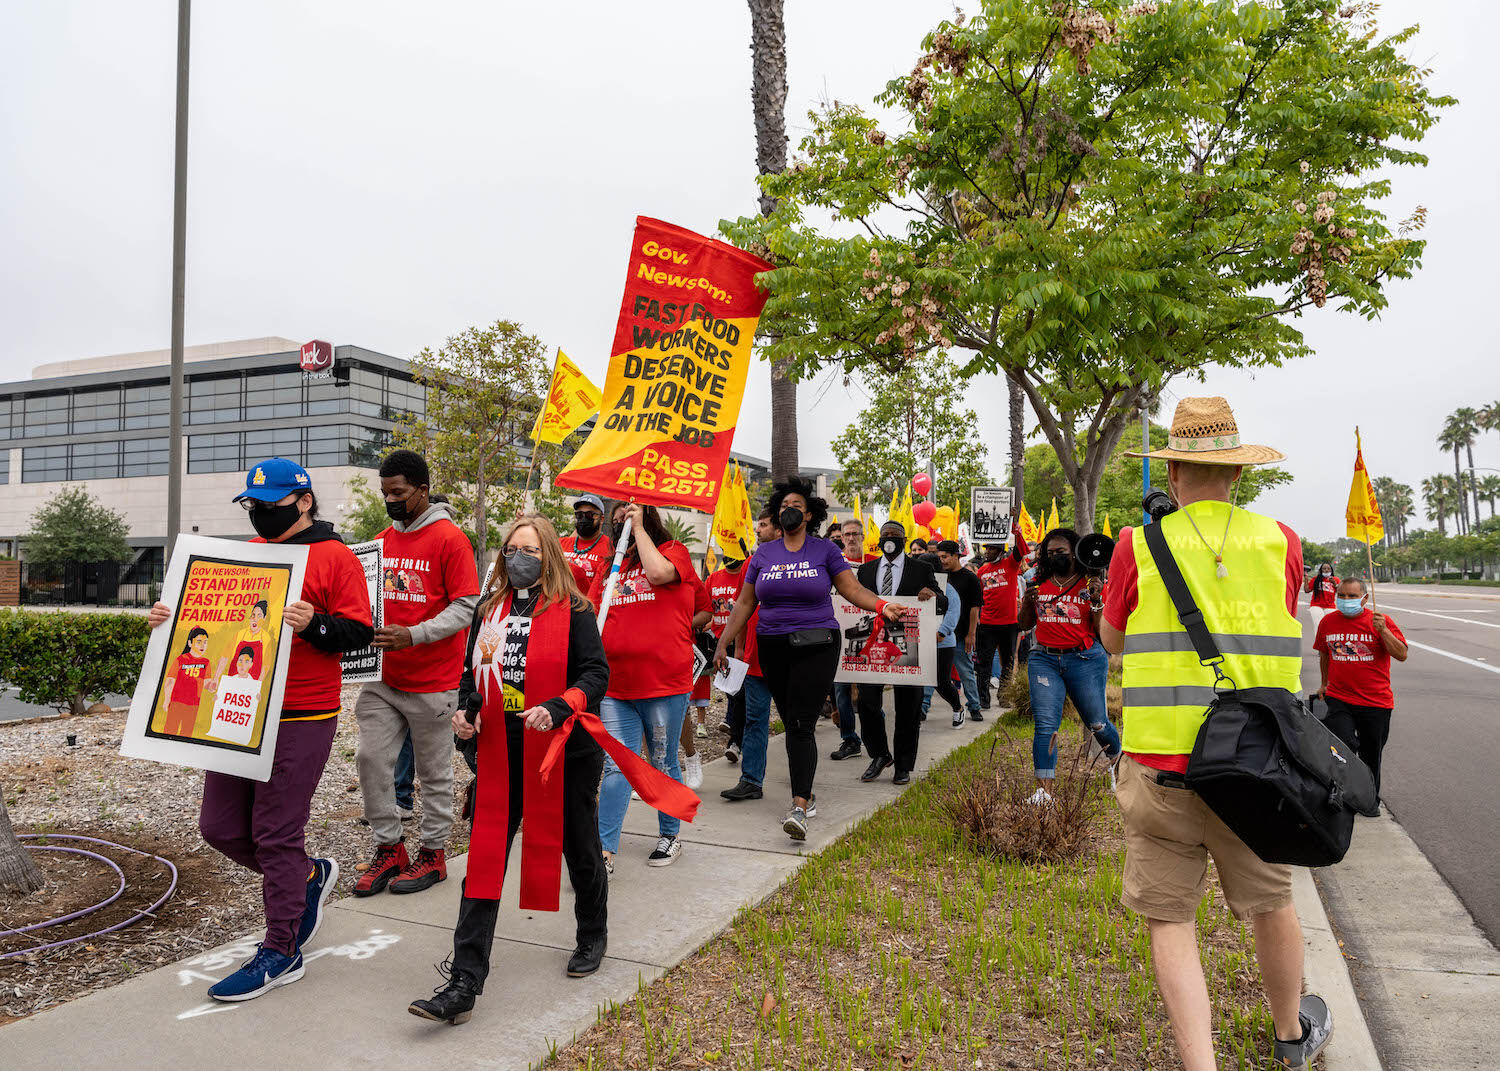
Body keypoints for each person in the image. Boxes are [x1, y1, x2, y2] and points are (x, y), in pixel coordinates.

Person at [1099, 396, 1331, 1070]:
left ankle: (1200, 1064)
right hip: (1256, 772)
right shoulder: (1281, 541)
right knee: (1271, 901)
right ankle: (1292, 1035)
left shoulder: (1135, 545)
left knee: (1171, 918)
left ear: (1171, 472)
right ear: (1237, 475)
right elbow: (1280, 620)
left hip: (1160, 770)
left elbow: (1111, 637)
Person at [148, 457, 372, 1002]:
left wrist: (314, 623)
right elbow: (220, 624)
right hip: (240, 710)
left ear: (303, 502)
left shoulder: (336, 557)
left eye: (269, 505)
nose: (259, 514)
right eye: (252, 505)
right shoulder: (251, 555)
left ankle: (281, 949)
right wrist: (170, 618)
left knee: (275, 835)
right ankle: (307, 877)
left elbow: (361, 631)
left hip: (303, 713)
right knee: (220, 828)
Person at [408, 514, 610, 1025]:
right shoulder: (488, 608)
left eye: (530, 549)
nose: (518, 557)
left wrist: (561, 705)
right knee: (485, 858)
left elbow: (596, 673)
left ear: (549, 557)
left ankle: (593, 932)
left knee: (579, 846)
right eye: (511, 548)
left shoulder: (576, 609)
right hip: (502, 749)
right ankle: (464, 981)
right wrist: (466, 709)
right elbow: (471, 674)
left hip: (562, 748)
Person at [714, 478, 907, 840]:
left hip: (817, 643)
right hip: (772, 646)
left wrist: (882, 605)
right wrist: (723, 642)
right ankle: (807, 787)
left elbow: (851, 589)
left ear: (809, 514)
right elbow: (744, 603)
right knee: (792, 723)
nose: (789, 510)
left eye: (796, 505)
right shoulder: (763, 556)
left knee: (801, 724)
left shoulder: (824, 551)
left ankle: (799, 806)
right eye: (784, 504)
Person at [352, 450, 480, 897]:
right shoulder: (379, 539)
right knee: (370, 759)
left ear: (422, 490)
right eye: (385, 492)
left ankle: (433, 854)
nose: (390, 500)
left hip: (434, 680)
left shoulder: (450, 539)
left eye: (399, 492)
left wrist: (416, 635)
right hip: (382, 680)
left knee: (434, 773)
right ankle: (390, 848)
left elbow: (467, 606)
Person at [588, 502, 700, 869]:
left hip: (663, 684)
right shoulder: (609, 568)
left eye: (629, 512)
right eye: (618, 514)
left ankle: (670, 835)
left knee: (663, 761)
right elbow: (589, 613)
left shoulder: (674, 552)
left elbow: (658, 574)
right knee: (617, 765)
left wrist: (638, 530)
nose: (620, 518)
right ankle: (603, 852)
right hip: (616, 687)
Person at [1018, 527, 1121, 798]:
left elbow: (1101, 631)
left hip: (1085, 659)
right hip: (1045, 660)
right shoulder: (1038, 583)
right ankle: (1044, 793)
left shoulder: (1090, 585)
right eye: (1050, 553)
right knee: (1045, 725)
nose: (1055, 557)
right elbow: (1025, 624)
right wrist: (1028, 604)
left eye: (1060, 552)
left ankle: (1118, 766)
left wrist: (1098, 600)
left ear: (1074, 553)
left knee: (1097, 723)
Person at [853, 521, 945, 783]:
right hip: (873, 645)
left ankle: (903, 765)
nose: (889, 540)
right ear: (879, 541)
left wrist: (933, 595)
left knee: (908, 706)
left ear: (904, 540)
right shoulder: (866, 570)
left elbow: (943, 601)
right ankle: (880, 754)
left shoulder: (922, 569)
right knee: (868, 702)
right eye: (885, 536)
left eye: (895, 536)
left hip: (909, 645)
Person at [1312, 577, 1407, 793]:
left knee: (1371, 756)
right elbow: (1324, 653)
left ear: (1364, 599)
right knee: (1341, 746)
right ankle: (1341, 794)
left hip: (1376, 703)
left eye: (1352, 596)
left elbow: (1401, 654)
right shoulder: (1327, 623)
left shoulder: (1380, 621)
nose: (1346, 600)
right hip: (1339, 699)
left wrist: (1383, 631)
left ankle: (1368, 798)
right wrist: (1324, 683)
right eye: (1342, 596)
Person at [719, 507, 780, 803]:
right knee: (755, 720)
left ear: (780, 529)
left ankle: (802, 787)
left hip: (791, 658)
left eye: (765, 526)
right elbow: (743, 608)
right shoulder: (751, 564)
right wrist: (738, 648)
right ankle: (751, 781)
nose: (759, 531)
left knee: (796, 724)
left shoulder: (804, 561)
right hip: (755, 659)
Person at [829, 517, 870, 762]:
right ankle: (850, 740)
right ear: (842, 538)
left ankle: (876, 739)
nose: (852, 538)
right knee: (841, 692)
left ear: (863, 536)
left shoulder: (873, 565)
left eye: (856, 533)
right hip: (840, 640)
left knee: (870, 695)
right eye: (847, 534)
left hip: (869, 639)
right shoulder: (833, 565)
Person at [934, 540, 984, 722]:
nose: (942, 561)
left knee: (966, 672)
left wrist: (972, 634)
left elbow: (974, 608)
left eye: (945, 557)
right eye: (939, 557)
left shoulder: (969, 578)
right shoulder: (938, 577)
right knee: (932, 675)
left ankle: (975, 707)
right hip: (938, 636)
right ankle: (922, 708)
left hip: (962, 634)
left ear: (956, 556)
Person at [706, 550, 748, 761]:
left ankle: (735, 737)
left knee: (738, 691)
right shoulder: (713, 578)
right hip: (720, 643)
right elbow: (705, 608)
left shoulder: (749, 572)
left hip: (744, 644)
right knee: (731, 689)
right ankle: (734, 728)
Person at [974, 536, 1026, 708]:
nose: (987, 551)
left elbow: (1022, 549)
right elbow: (979, 597)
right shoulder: (981, 570)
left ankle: (1004, 697)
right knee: (984, 663)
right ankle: (983, 699)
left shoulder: (1011, 564)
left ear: (1001, 551)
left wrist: (1016, 529)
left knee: (1008, 662)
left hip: (1010, 624)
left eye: (992, 549)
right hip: (987, 624)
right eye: (987, 548)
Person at [679, 567, 715, 788]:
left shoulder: (684, 572)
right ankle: (655, 771)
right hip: (640, 654)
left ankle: (691, 757)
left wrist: (677, 624)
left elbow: (706, 612)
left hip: (678, 648)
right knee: (645, 712)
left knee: (679, 710)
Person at [159, 627, 212, 737]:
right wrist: (167, 699)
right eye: (199, 642)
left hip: (193, 705)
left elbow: (207, 684)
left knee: (187, 733)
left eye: (205, 642)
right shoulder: (181, 659)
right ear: (189, 643)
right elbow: (170, 681)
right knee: (170, 730)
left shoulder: (206, 662)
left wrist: (212, 686)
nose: (203, 645)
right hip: (176, 702)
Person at [561, 493, 614, 594]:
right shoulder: (561, 543)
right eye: (579, 515)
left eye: (589, 515)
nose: (584, 519)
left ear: (601, 519)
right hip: (558, 604)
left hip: (588, 606)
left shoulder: (611, 548)